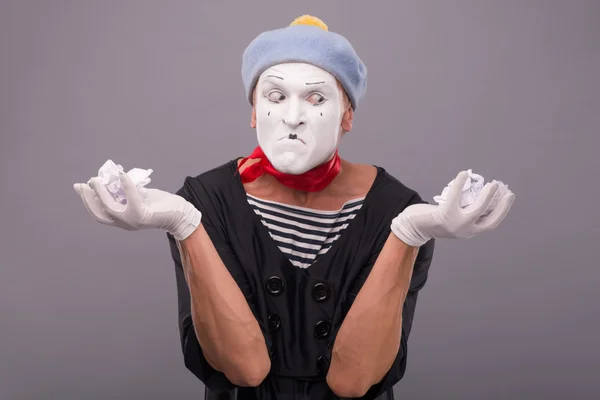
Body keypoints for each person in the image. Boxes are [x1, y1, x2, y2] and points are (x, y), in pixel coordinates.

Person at [73, 15, 515, 400]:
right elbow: (243, 369)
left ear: (347, 115)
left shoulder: (396, 208)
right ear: (253, 110)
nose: (292, 117)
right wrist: (184, 223)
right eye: (276, 96)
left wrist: (410, 233)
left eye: (316, 98)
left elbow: (354, 380)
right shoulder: (204, 202)